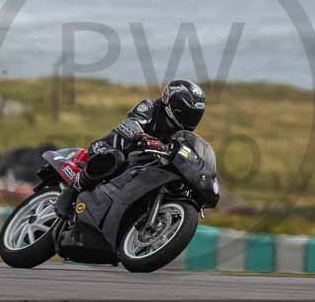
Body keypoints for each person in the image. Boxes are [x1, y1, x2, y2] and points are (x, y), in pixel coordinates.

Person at [54, 79, 206, 219]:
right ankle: (72, 190)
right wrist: (143, 137)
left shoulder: (180, 135)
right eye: (187, 114)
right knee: (115, 158)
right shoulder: (150, 106)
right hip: (107, 149)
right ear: (174, 105)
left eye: (195, 116)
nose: (190, 119)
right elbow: (131, 123)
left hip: (137, 166)